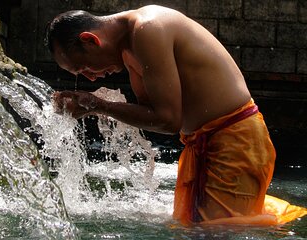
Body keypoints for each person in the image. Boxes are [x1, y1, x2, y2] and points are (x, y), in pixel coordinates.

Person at [45, 5, 306, 225]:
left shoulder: (148, 29)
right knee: (192, 227)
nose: (91, 76)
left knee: (217, 232)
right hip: (204, 146)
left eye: (84, 68)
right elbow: (152, 114)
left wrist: (98, 105)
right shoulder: (129, 48)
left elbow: (168, 120)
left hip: (234, 141)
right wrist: (96, 106)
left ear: (91, 40)